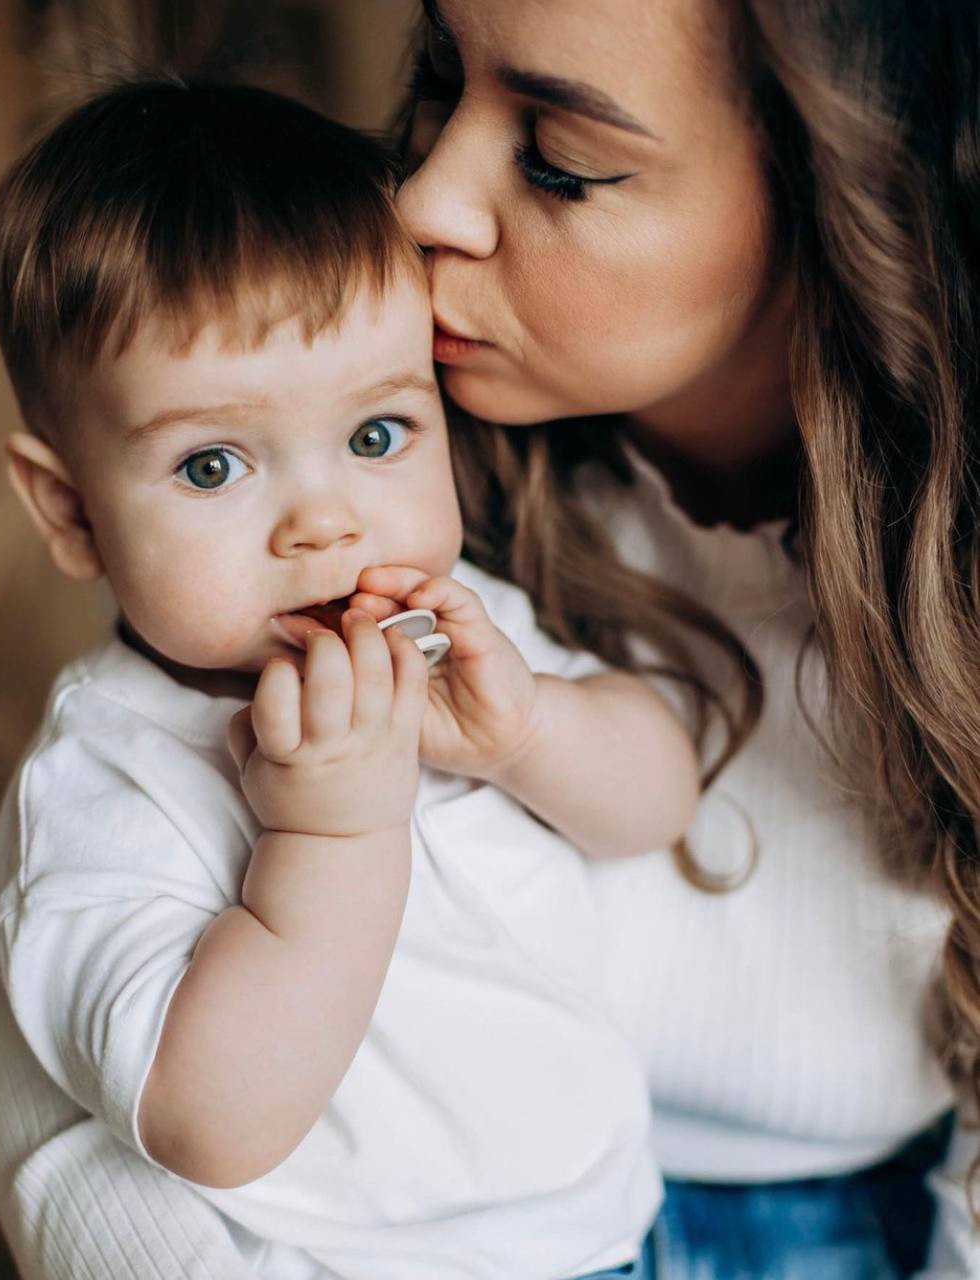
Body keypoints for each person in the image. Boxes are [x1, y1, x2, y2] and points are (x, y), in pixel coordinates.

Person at [0, 76, 701, 1280]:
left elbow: (658, 805)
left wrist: (531, 733)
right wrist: (334, 827)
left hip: (616, 1220)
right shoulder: (102, 788)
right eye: (210, 464)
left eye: (374, 436)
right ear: (71, 508)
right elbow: (211, 1122)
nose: (323, 521)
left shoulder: (459, 626)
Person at [392, 0, 980, 1276]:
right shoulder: (368, 455)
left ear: (848, 198)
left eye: (562, 157)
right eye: (440, 79)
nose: (422, 199)